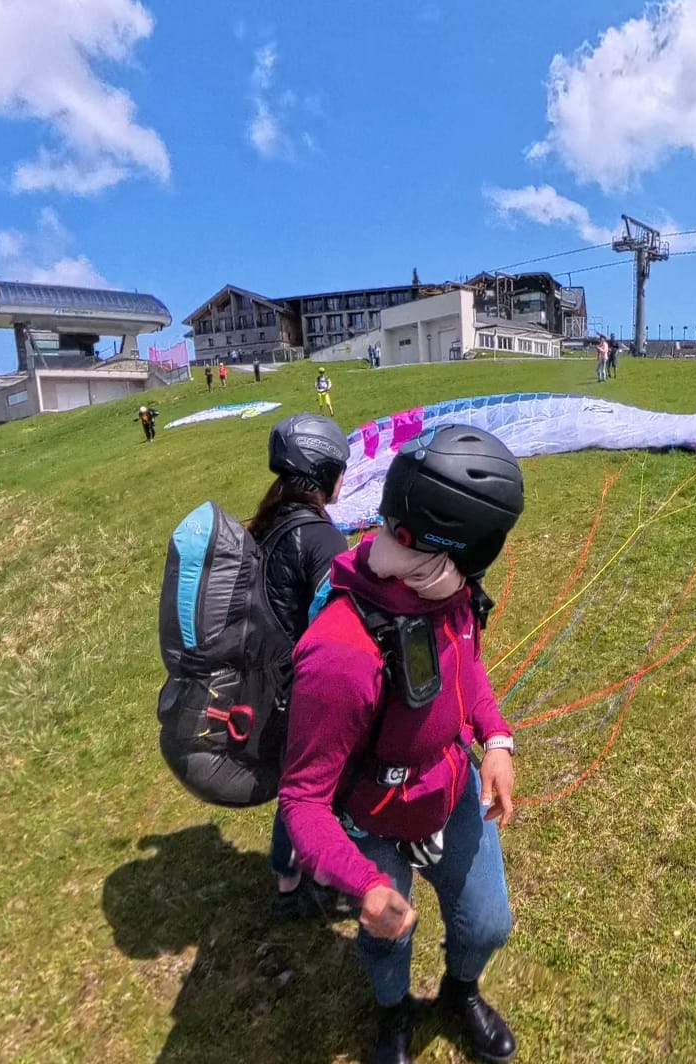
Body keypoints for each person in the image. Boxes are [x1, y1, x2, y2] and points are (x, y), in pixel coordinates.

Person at [281, 425, 524, 1064]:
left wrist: (494, 738)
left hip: (450, 788)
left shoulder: (444, 589)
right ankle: (391, 1014)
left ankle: (459, 991)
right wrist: (362, 885)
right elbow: (302, 802)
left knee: (489, 923)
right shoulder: (338, 654)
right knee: (387, 940)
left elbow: (464, 665)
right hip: (371, 818)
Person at [250, 414, 353, 919]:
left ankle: (287, 883)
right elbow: (345, 623)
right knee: (316, 789)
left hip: (268, 682)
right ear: (324, 474)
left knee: (297, 784)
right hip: (303, 688)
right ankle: (317, 883)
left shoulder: (269, 523)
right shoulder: (320, 539)